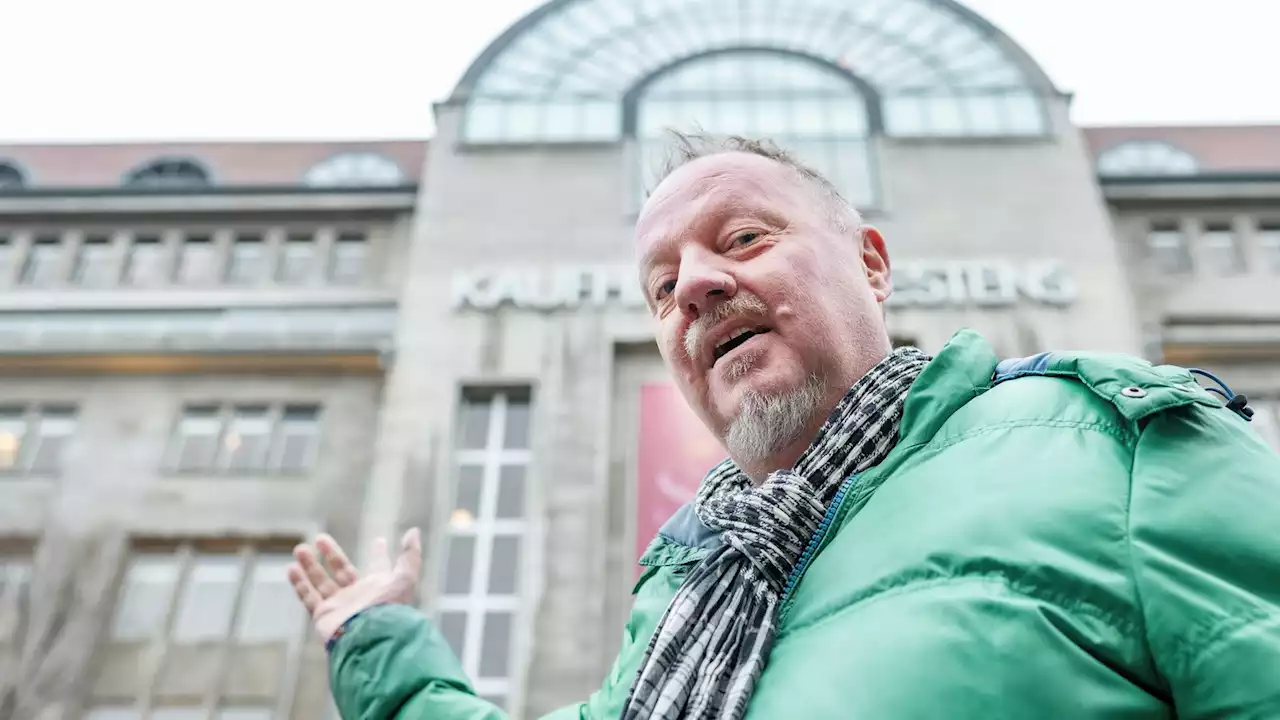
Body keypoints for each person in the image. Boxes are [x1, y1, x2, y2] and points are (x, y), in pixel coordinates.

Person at [288, 134, 1280, 719]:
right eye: (662, 284)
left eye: (742, 239)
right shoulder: (684, 599)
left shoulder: (1113, 445)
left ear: (873, 267)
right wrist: (378, 645)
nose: (696, 288)